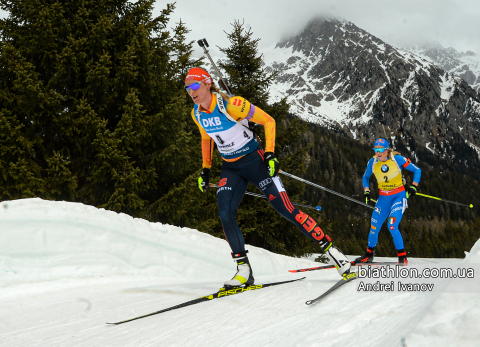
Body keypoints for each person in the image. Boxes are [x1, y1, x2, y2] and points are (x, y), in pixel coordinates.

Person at [185, 67, 352, 288]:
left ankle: (332, 251)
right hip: (230, 167)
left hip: (255, 162)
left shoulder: (232, 105)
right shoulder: (196, 113)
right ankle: (243, 270)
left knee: (287, 210)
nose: (191, 92)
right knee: (225, 213)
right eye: (187, 88)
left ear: (207, 84)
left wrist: (271, 154)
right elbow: (206, 138)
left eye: (195, 86)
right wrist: (205, 169)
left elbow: (269, 121)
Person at [356, 137, 421, 265]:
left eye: (381, 149)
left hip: (399, 197)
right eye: (376, 149)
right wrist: (367, 191)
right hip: (383, 198)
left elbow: (417, 170)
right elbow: (365, 177)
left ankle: (402, 257)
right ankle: (369, 255)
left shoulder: (397, 159)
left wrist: (413, 186)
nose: (378, 152)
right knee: (374, 227)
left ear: (387, 150)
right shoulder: (372, 162)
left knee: (392, 225)